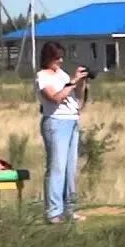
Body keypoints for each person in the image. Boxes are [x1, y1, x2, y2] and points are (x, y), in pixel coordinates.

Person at [36, 41, 88, 224]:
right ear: (48, 57)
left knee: (70, 168)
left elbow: (77, 99)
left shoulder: (62, 74)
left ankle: (69, 209)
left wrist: (81, 84)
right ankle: (53, 212)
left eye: (61, 57)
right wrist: (72, 82)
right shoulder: (42, 76)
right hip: (55, 123)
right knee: (57, 167)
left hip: (72, 121)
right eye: (56, 57)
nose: (60, 60)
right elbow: (55, 97)